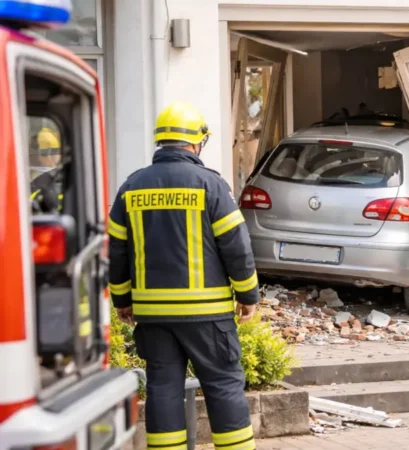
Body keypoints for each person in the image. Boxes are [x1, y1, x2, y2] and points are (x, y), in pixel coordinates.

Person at [107, 102, 260, 450]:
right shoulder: (211, 185)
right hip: (208, 316)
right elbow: (237, 246)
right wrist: (248, 295)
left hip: (154, 316)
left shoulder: (131, 187)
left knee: (163, 387)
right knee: (222, 385)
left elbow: (115, 250)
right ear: (195, 144)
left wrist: (122, 300)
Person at [30, 127, 62, 213]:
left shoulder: (65, 175)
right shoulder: (28, 177)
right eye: (43, 153)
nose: (49, 157)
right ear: (36, 155)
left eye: (54, 152)